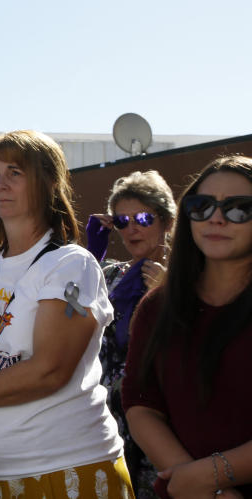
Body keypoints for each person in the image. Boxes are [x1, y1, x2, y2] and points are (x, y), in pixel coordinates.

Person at [0, 130, 131, 498]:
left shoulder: (72, 264)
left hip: (70, 468)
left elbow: (49, 370)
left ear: (49, 183)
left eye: (15, 172)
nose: (0, 183)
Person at [123, 155, 252, 498]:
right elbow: (140, 403)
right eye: (202, 206)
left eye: (239, 208)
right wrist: (202, 486)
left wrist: (213, 478)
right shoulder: (157, 307)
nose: (217, 219)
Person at [86, 170, 176, 497]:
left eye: (142, 217)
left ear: (167, 221)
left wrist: (170, 293)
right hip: (108, 425)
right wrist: (91, 255)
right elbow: (70, 314)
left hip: (163, 423)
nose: (132, 228)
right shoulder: (111, 275)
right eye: (122, 221)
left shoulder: (189, 276)